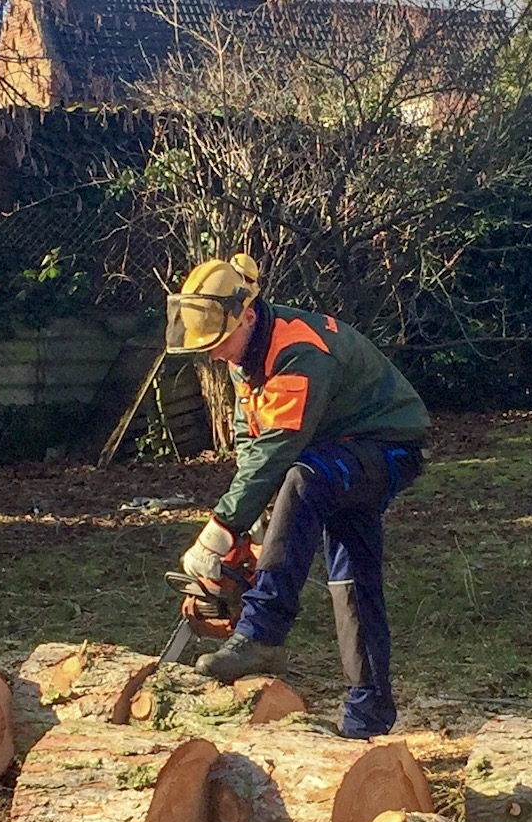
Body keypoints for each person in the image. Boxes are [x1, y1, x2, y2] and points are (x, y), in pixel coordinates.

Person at [167, 256, 429, 739]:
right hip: (338, 451)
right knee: (352, 578)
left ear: (246, 315)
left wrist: (218, 535)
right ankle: (367, 717)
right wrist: (257, 528)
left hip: (387, 447)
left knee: (304, 480)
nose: (218, 355)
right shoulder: (244, 353)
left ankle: (263, 632)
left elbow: (280, 449)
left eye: (221, 344)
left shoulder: (297, 350)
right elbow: (253, 445)